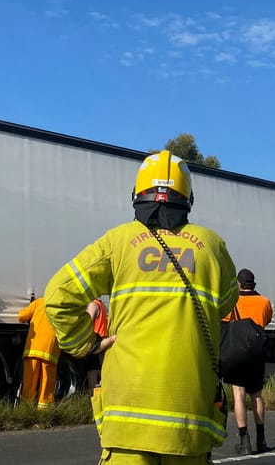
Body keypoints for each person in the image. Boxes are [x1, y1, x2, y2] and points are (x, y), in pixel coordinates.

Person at [44, 149, 238, 465]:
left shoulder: (118, 241)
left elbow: (57, 295)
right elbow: (229, 301)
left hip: (127, 420)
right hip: (188, 421)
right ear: (187, 198)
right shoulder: (211, 246)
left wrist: (85, 343)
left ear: (137, 195)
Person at [224, 268, 274, 455]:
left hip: (237, 350)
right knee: (257, 394)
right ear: (253, 283)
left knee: (238, 394)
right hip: (257, 350)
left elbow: (224, 322)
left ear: (238, 284)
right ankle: (261, 440)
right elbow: (266, 320)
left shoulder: (232, 302)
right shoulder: (264, 302)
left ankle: (245, 442)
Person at [18, 296, 61, 409]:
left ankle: (26, 407)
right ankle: (44, 409)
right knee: (47, 380)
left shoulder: (39, 302)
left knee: (29, 380)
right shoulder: (62, 306)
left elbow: (22, 317)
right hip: (50, 349)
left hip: (33, 349)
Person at [86, 298, 109, 395]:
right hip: (102, 338)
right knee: (100, 369)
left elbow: (88, 322)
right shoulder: (101, 304)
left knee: (92, 371)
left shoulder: (93, 305)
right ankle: (102, 392)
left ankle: (93, 395)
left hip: (95, 339)